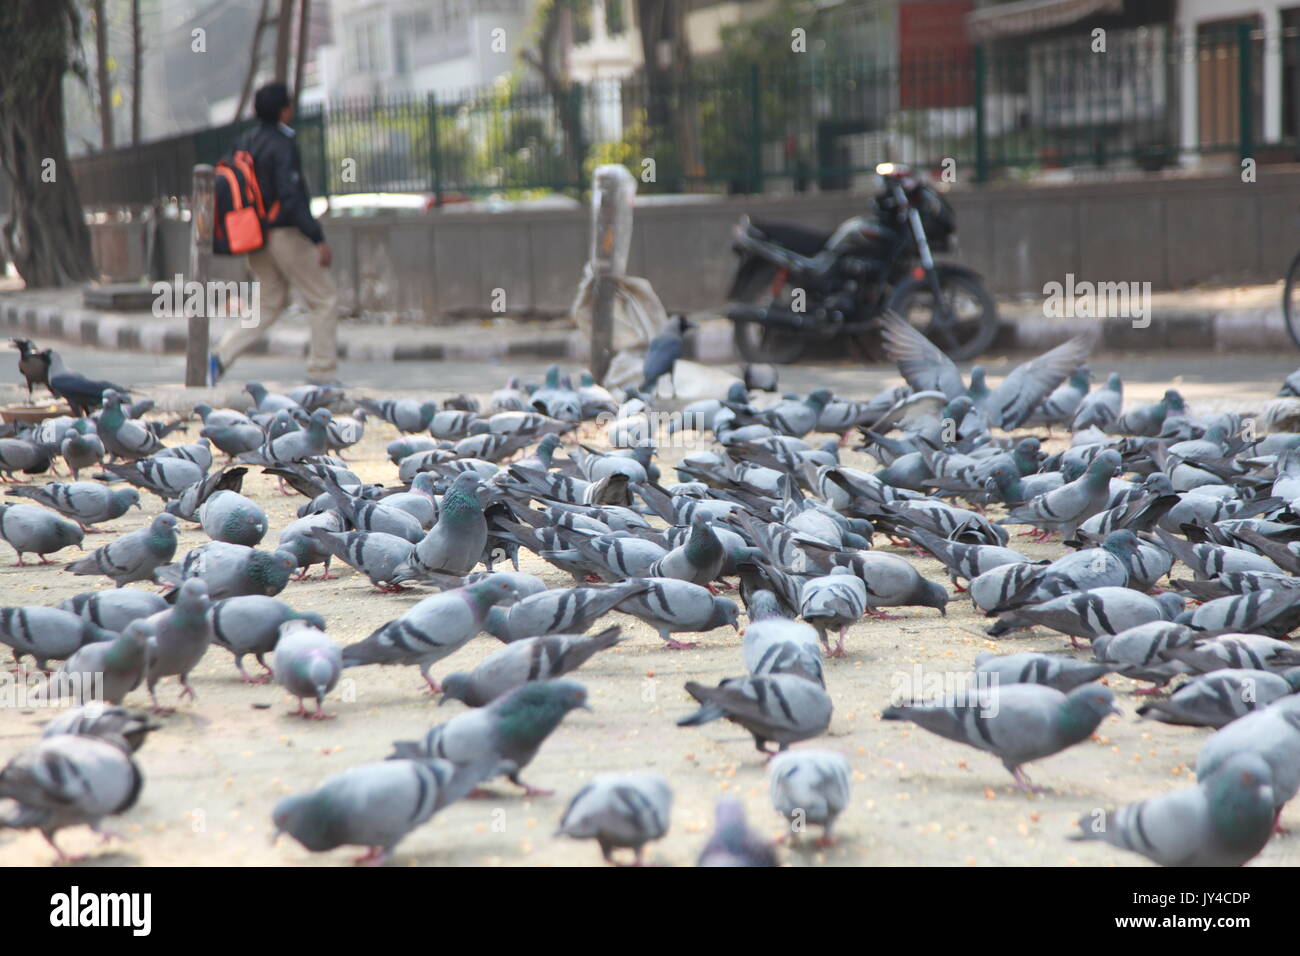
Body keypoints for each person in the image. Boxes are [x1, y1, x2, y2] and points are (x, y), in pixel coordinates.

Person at [210, 82, 338, 385]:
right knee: (324, 298)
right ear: (284, 110)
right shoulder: (282, 143)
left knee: (269, 303)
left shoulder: (244, 142)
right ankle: (322, 374)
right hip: (283, 234)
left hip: (254, 236)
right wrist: (317, 237)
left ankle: (220, 357)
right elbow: (291, 195)